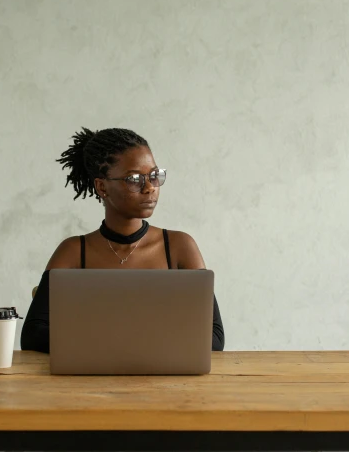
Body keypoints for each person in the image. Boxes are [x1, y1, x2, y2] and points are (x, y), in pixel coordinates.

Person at [20, 127, 225, 352]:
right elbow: (33, 335)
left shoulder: (179, 247)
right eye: (134, 179)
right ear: (102, 186)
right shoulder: (73, 251)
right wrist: (137, 340)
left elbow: (214, 337)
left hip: (166, 383)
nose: (149, 188)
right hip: (86, 385)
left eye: (155, 176)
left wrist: (111, 339)